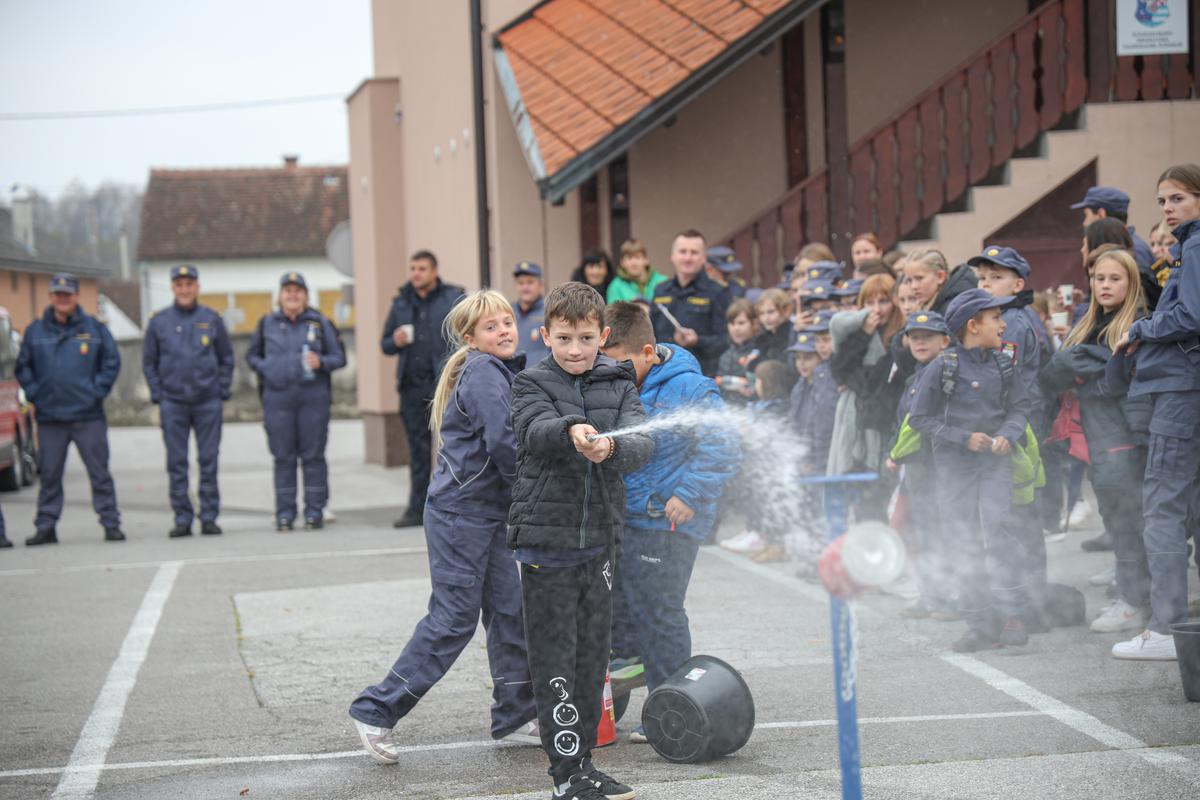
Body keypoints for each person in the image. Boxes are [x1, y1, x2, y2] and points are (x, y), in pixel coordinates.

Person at [351, 291, 538, 763]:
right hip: (461, 516)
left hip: (489, 514)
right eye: (491, 326)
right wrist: (535, 490)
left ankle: (516, 715)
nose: (504, 330)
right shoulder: (481, 371)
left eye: (507, 321)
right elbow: (504, 441)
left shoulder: (497, 370)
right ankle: (375, 710)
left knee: (509, 609)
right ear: (470, 337)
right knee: (453, 619)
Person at [507, 282, 652, 800]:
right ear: (546, 335)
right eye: (564, 337)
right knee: (555, 659)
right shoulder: (529, 382)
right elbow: (533, 430)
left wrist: (612, 447)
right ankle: (565, 774)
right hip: (548, 546)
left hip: (602, 545)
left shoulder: (619, 381)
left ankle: (585, 763)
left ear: (604, 336)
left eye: (586, 338)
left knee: (593, 659)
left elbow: (643, 442)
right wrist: (574, 430)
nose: (574, 349)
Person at [602, 301, 739, 742]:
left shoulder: (690, 388)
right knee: (623, 606)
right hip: (630, 518)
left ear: (647, 350)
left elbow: (724, 446)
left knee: (660, 612)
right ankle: (624, 678)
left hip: (671, 519)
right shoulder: (623, 383)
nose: (614, 374)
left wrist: (689, 493)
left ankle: (668, 704)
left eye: (621, 365)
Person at [907, 289, 1036, 652]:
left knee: (999, 529)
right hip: (954, 468)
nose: (1003, 324)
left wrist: (1008, 435)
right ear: (973, 325)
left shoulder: (1004, 362)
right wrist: (964, 438)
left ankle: (1012, 614)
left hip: (995, 463)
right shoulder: (942, 366)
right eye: (995, 318)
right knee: (962, 538)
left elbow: (1021, 406)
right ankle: (978, 622)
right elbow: (919, 418)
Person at [1109, 164, 1200, 661]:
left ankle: (1167, 627)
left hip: (1183, 391)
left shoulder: (1196, 247)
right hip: (1190, 387)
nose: (1168, 208)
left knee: (1162, 506)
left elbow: (1193, 314)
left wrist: (1143, 328)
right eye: (1163, 200)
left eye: (1179, 198)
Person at [1041, 249, 1151, 635]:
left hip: (1123, 438)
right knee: (1117, 519)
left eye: (1114, 278)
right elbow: (1054, 373)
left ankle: (1136, 602)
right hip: (1098, 436)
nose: (1105, 285)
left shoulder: (1136, 323)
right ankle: (1135, 596)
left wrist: (1077, 359)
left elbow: (1112, 372)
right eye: (1100, 278)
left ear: (1131, 283)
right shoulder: (1090, 322)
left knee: (1127, 523)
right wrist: (1078, 359)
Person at [16, 274, 123, 545]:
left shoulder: (95, 329)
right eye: (57, 294)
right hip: (51, 417)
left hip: (88, 416)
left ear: (76, 296)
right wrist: (36, 394)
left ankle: (110, 523)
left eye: (67, 294)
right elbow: (23, 367)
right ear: (50, 297)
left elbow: (111, 361)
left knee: (99, 473)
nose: (62, 299)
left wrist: (96, 391)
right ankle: (46, 526)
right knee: (50, 474)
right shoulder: (35, 331)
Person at [247, 272, 347, 531]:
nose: (292, 295)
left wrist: (321, 362)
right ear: (280, 296)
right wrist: (267, 367)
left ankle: (315, 511)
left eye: (298, 291)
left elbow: (339, 357)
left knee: (313, 456)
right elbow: (251, 356)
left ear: (305, 295)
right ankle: (284, 513)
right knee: (283, 457)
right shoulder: (266, 323)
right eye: (288, 291)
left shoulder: (320, 322)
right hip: (277, 399)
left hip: (312, 399)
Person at [143, 264, 235, 538]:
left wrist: (221, 389)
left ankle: (208, 517)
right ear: (173, 288)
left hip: (207, 401)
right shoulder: (159, 322)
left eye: (189, 284)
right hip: (174, 403)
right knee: (177, 462)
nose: (185, 289)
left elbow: (226, 358)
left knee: (208, 460)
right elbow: (149, 362)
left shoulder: (211, 319)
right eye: (179, 284)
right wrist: (158, 393)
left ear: (197, 287)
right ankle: (182, 518)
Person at [381, 250, 465, 529]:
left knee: (453, 447)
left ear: (434, 271)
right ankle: (417, 508)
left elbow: (466, 335)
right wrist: (395, 340)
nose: (416, 274)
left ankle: (455, 505)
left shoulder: (452, 297)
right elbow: (385, 344)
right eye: (413, 268)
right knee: (417, 452)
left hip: (445, 385)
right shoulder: (402, 302)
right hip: (412, 387)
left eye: (421, 269)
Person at [887, 310, 954, 619]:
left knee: (943, 532)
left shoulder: (946, 372)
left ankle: (952, 597)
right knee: (922, 532)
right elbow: (903, 422)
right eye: (914, 337)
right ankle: (930, 595)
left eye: (928, 337)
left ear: (945, 341)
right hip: (917, 467)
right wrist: (894, 451)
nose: (920, 342)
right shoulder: (916, 375)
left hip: (940, 465)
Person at [651, 229, 733, 377]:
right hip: (663, 373)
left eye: (694, 253)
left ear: (704, 258)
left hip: (701, 375)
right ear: (673, 256)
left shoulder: (718, 293)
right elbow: (650, 335)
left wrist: (698, 341)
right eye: (682, 252)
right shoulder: (661, 291)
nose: (688, 258)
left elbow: (726, 340)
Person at [1070, 185, 1157, 300]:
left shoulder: (1136, 251)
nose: (1084, 223)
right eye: (1100, 278)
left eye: (1086, 215)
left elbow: (1142, 302)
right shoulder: (1130, 246)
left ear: (1101, 214)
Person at [715, 298, 759, 406]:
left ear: (754, 324)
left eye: (741, 323)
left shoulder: (759, 352)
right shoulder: (725, 355)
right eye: (732, 323)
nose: (736, 328)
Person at [512, 261, 551, 368]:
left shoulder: (550, 311)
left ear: (541, 285)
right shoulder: (508, 312)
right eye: (521, 283)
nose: (525, 287)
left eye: (530, 282)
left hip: (541, 377)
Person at [606, 239, 668, 304]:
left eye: (637, 257)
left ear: (646, 260)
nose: (634, 263)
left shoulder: (662, 282)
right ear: (622, 262)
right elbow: (613, 313)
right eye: (629, 258)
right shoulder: (615, 286)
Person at [753, 288, 793, 367]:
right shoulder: (762, 338)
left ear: (785, 310)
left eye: (771, 312)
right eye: (761, 313)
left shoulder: (792, 334)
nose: (766, 318)